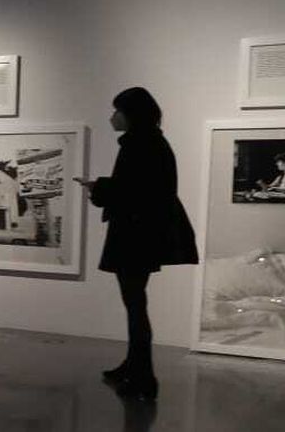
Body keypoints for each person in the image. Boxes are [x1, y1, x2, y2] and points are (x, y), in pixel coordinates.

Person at [73, 87, 198, 400]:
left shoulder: (140, 144)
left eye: (117, 111)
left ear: (131, 114)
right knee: (134, 302)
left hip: (136, 235)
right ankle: (134, 366)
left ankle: (144, 377)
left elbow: (134, 192)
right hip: (141, 233)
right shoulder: (149, 142)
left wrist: (98, 188)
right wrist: (103, 187)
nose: (112, 117)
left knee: (135, 305)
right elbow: (139, 188)